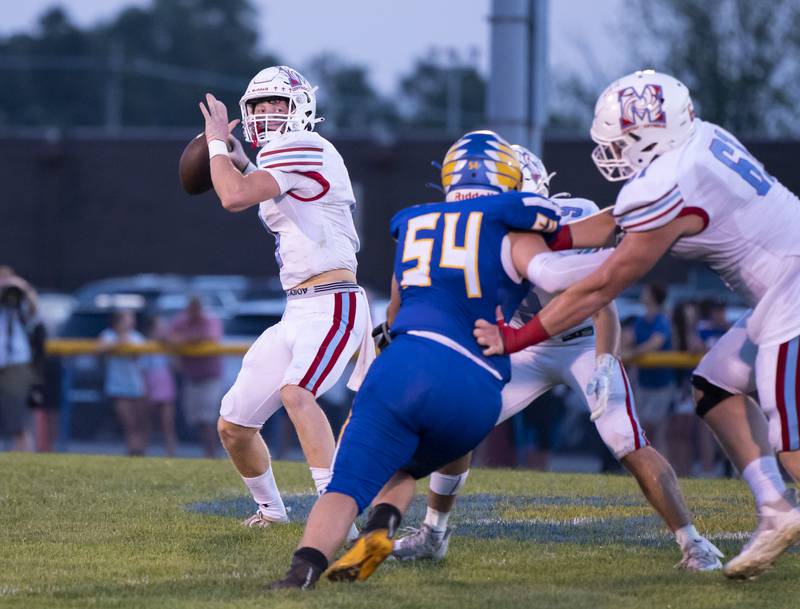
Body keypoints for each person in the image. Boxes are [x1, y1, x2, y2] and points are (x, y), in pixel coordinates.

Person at [473, 70, 800, 579]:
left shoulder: (666, 182)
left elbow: (603, 284)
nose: (613, 153)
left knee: (794, 444)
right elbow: (612, 222)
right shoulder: (700, 140)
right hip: (781, 289)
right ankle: (776, 509)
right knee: (714, 385)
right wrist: (545, 233)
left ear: (647, 135)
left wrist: (518, 336)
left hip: (793, 293)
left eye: (620, 142)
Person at [392, 146, 722, 572]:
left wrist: (605, 360)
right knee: (455, 425)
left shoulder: (571, 219)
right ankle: (433, 536)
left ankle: (694, 543)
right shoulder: (479, 229)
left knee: (625, 438)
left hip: (581, 341)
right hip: (521, 347)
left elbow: (601, 303)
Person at [268, 130, 562, 590]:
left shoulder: (417, 220)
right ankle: (388, 525)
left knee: (349, 483)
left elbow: (395, 310)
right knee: (410, 465)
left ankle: (301, 572)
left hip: (403, 363)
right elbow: (568, 271)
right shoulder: (516, 218)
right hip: (475, 382)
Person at [197, 65, 374, 529]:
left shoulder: (305, 144)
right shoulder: (285, 157)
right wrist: (243, 160)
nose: (267, 113)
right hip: (298, 307)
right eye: (258, 106)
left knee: (298, 393)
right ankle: (272, 512)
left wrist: (216, 142)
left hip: (334, 300)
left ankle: (340, 516)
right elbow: (280, 198)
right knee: (233, 426)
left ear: (301, 109)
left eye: (278, 103)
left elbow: (233, 197)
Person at [623, 283, 675, 451]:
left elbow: (656, 343)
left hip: (662, 385)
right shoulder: (640, 320)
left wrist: (632, 354)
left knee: (657, 430)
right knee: (641, 429)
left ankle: (664, 470)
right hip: (644, 383)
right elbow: (627, 340)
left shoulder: (662, 320)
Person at [169, 297, 222, 458]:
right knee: (197, 420)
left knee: (207, 419)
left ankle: (212, 454)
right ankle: (208, 454)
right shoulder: (182, 321)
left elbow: (209, 335)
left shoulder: (209, 320)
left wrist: (183, 339)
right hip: (191, 377)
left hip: (209, 377)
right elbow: (166, 335)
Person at [97, 310, 147, 456]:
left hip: (136, 385)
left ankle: (140, 450)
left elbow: (138, 358)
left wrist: (126, 343)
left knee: (139, 422)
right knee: (128, 422)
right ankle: (133, 450)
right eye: (126, 319)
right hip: (118, 386)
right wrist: (118, 342)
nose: (130, 322)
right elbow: (98, 350)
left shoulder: (137, 338)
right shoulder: (108, 335)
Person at [0, 269, 38, 451]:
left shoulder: (17, 303)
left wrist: (23, 287)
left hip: (15, 363)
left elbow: (35, 313)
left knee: (19, 421)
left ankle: (23, 462)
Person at [141, 314, 178, 457]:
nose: (162, 330)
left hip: (165, 384)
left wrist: (170, 347)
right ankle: (142, 451)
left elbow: (176, 366)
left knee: (167, 422)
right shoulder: (145, 346)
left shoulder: (167, 347)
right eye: (159, 328)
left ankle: (171, 452)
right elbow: (142, 368)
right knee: (147, 422)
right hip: (150, 384)